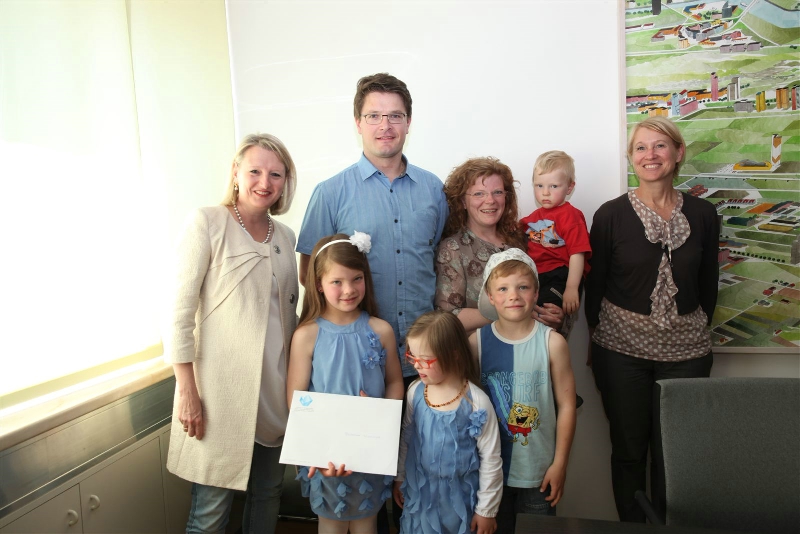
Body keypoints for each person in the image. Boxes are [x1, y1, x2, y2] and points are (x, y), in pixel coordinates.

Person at [585, 116, 718, 523]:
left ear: (678, 153)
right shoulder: (610, 215)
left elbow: (708, 283)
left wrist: (685, 329)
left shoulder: (704, 214)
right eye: (641, 147)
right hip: (621, 352)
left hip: (687, 353)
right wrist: (596, 338)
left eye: (660, 146)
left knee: (675, 454)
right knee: (629, 452)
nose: (650, 155)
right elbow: (597, 284)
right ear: (631, 157)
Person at [165, 134, 299, 533]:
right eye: (255, 171)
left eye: (275, 174)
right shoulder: (207, 222)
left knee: (267, 497)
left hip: (274, 391)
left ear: (285, 182)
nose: (265, 182)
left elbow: (287, 317)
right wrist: (187, 392)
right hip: (219, 395)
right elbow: (178, 314)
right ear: (236, 173)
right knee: (210, 513)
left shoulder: (286, 237)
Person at [297, 73, 448, 387]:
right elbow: (309, 275)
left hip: (427, 358)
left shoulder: (433, 189)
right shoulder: (330, 193)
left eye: (395, 116)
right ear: (358, 123)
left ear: (408, 122)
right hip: (357, 364)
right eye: (374, 116)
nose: (385, 126)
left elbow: (437, 258)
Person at [287, 232, 404, 534]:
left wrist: (379, 415)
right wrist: (317, 451)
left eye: (356, 279)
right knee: (331, 524)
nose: (349, 290)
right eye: (337, 282)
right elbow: (297, 401)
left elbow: (394, 382)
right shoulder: (307, 335)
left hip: (369, 447)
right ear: (318, 285)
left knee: (367, 524)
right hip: (326, 453)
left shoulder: (381, 330)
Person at [469, 248, 577, 533]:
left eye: (523, 287)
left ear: (536, 292)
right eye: (503, 288)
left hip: (539, 474)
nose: (513, 296)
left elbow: (567, 405)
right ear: (490, 296)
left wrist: (560, 464)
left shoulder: (553, 343)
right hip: (489, 474)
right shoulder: (476, 344)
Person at [393, 311, 503, 534]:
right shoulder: (415, 392)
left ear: (453, 355)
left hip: (459, 502)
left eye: (425, 360)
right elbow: (406, 439)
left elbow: (491, 458)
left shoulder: (476, 402)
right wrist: (400, 477)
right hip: (421, 497)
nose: (417, 366)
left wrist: (486, 510)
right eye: (412, 357)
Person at [435, 157, 566, 336]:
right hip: (480, 350)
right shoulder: (453, 249)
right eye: (479, 194)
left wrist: (553, 315)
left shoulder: (523, 239)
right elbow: (447, 317)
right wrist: (513, 312)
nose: (490, 200)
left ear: (506, 197)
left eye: (497, 192)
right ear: (463, 201)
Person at [520, 150, 591, 315]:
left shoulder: (571, 216)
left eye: (553, 186)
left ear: (569, 187)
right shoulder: (533, 218)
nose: (545, 192)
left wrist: (571, 288)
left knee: (544, 314)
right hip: (535, 275)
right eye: (539, 185)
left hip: (560, 276)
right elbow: (515, 230)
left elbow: (577, 254)